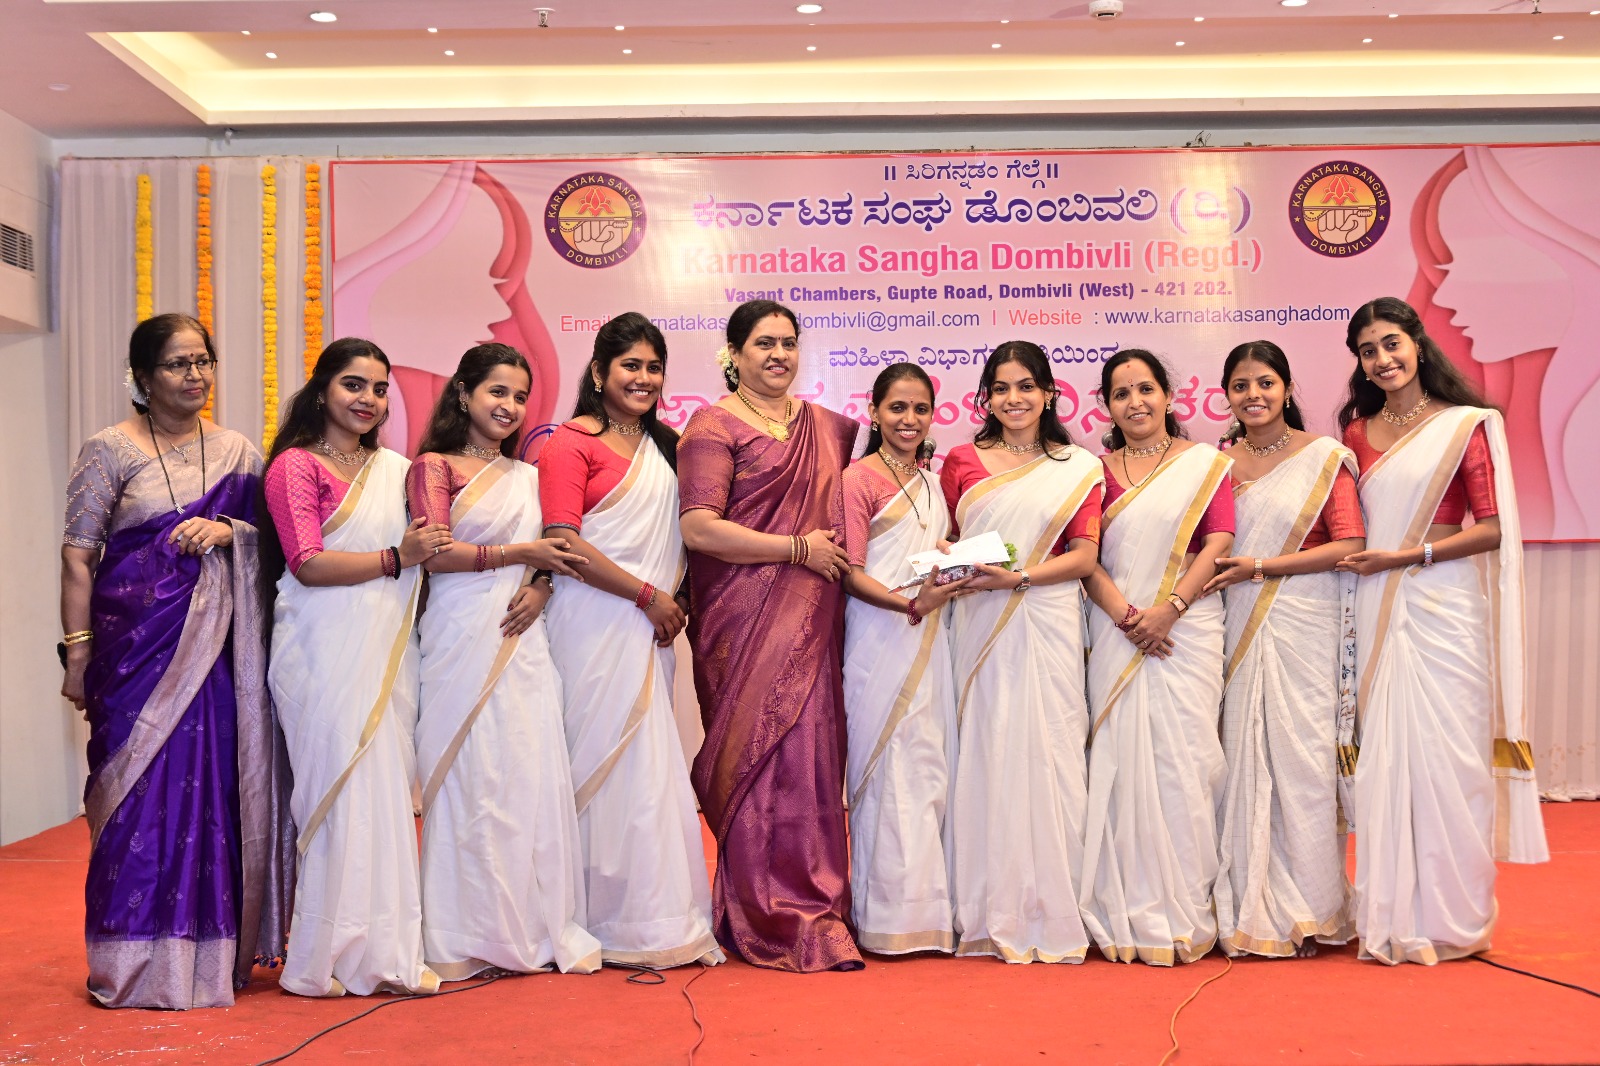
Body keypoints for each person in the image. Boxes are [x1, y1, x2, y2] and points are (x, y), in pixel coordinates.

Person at [59, 313, 292, 1008]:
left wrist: (228, 531)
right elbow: (78, 557)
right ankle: (130, 962)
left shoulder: (238, 453)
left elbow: (275, 544)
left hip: (217, 657)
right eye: (177, 364)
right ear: (142, 376)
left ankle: (208, 959)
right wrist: (78, 653)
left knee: (211, 794)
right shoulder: (109, 449)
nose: (195, 376)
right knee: (135, 801)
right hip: (134, 653)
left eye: (203, 361)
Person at [1334, 297, 1548, 965]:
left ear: (1418, 345)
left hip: (1442, 604)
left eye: (1391, 343)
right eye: (1368, 350)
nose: (1383, 359)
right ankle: (1392, 912)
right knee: (1386, 761)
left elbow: (1491, 529)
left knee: (1450, 759)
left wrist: (1410, 555)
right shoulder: (1355, 434)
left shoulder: (1465, 425)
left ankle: (1454, 917)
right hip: (1375, 602)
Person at [262, 337, 452, 997]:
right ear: (322, 390)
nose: (367, 399)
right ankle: (321, 961)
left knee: (386, 794)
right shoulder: (295, 466)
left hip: (387, 651)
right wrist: (396, 558)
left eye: (378, 388)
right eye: (353, 384)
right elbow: (308, 564)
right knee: (338, 794)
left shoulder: (397, 469)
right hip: (320, 651)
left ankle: (387, 951)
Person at [677, 299, 864, 972]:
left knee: (811, 756)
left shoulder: (826, 428)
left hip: (815, 620)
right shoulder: (712, 427)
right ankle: (763, 913)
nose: (778, 355)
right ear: (734, 354)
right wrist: (794, 549)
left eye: (788, 343)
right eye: (763, 343)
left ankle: (819, 908)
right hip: (743, 621)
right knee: (761, 758)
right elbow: (699, 527)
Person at [407, 342, 602, 979]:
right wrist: (521, 556)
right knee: (468, 779)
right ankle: (463, 934)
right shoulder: (433, 466)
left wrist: (541, 586)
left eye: (520, 397)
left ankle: (527, 927)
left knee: (524, 774)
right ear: (463, 393)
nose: (510, 407)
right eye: (497, 392)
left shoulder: (529, 474)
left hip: (522, 639)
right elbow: (435, 553)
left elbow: (553, 549)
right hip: (460, 635)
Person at [539, 314, 723, 969]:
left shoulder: (668, 446)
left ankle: (652, 917)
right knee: (595, 759)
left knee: (647, 768)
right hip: (592, 621)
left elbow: (691, 535)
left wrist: (678, 601)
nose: (643, 378)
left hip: (654, 630)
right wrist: (646, 596)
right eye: (630, 366)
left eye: (653, 368)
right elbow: (562, 540)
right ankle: (590, 914)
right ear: (598, 372)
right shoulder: (570, 444)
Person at [939, 342, 1105, 963]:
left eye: (1027, 386)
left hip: (1048, 616)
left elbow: (1085, 557)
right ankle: (992, 906)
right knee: (990, 745)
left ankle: (1057, 906)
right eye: (1002, 388)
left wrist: (1020, 578)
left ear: (1049, 394)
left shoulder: (1077, 466)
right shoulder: (960, 460)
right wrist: (950, 559)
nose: (1015, 399)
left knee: (1054, 750)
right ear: (986, 398)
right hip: (980, 620)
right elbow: (949, 539)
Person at [1202, 340, 1364, 958]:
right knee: (1242, 759)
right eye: (1241, 386)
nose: (1254, 395)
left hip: (1304, 625)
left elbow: (1349, 544)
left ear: (1288, 388)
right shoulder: (1216, 465)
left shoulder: (1323, 457)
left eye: (1265, 383)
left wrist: (1262, 567)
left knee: (1303, 767)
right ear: (1226, 396)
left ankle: (1312, 909)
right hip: (1236, 624)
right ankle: (1251, 904)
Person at [1080, 348, 1234, 966]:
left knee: (1184, 764)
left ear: (1169, 396)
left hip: (1187, 632)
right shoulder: (1092, 473)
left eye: (1145, 389)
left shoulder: (1205, 465)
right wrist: (1129, 618)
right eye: (1121, 394)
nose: (1135, 402)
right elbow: (1086, 557)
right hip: (1116, 631)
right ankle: (1125, 903)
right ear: (1107, 406)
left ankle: (1185, 907)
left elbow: (1219, 539)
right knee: (1120, 765)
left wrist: (1170, 608)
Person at [840, 363, 969, 956]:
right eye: (897, 407)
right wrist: (908, 604)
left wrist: (955, 559)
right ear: (874, 412)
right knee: (886, 770)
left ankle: (928, 911)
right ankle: (885, 916)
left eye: (921, 409)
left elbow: (935, 553)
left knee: (927, 766)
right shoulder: (857, 480)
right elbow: (850, 572)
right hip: (879, 638)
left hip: (931, 639)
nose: (909, 419)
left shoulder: (932, 482)